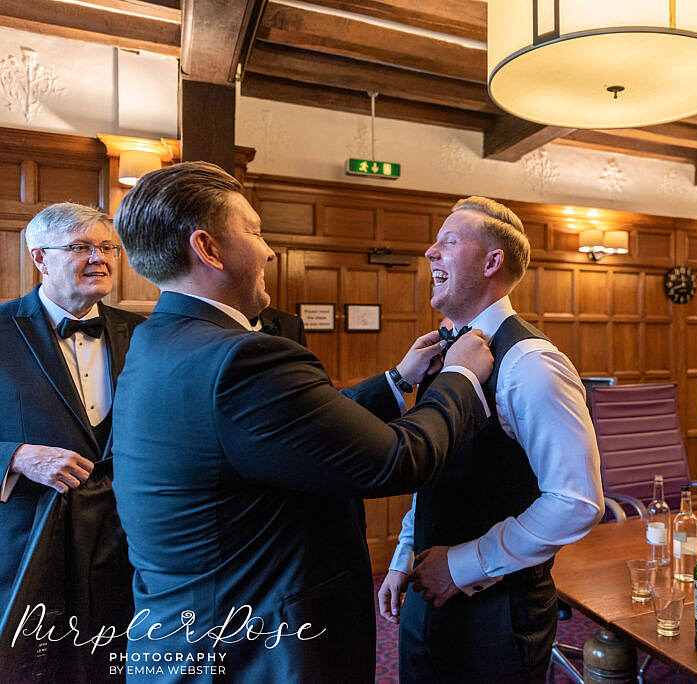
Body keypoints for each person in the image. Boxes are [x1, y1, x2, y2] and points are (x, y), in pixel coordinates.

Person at [110, 161, 494, 683]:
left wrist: (395, 381)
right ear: (209, 249)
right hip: (258, 648)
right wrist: (459, 378)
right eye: (255, 231)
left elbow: (289, 433)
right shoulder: (242, 359)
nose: (268, 250)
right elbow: (397, 462)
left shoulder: (157, 340)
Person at [377, 196, 604, 683]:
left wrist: (460, 565)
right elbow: (442, 471)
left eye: (448, 241)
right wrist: (405, 556)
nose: (429, 252)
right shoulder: (446, 348)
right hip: (427, 593)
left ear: (492, 261)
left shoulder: (531, 363)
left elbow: (577, 500)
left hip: (497, 614)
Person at [0, 203, 144, 680]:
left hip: (127, 541)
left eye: (107, 247)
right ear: (40, 257)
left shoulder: (144, 333)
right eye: (81, 247)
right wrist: (16, 456)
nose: (99, 258)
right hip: (30, 540)